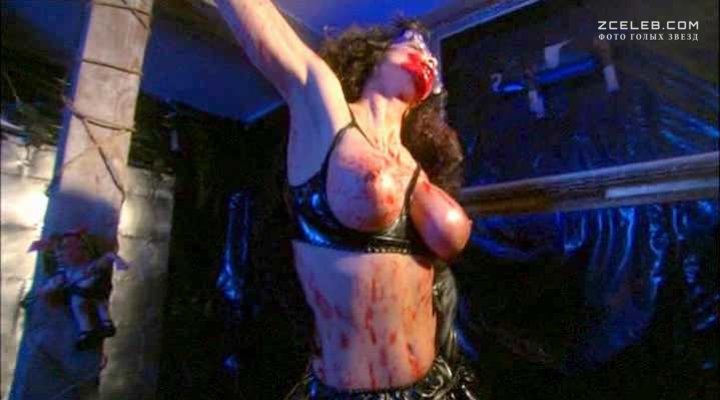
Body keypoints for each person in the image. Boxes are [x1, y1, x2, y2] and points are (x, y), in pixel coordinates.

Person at [217, 1, 477, 398]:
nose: (427, 55)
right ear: (373, 54)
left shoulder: (415, 165)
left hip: (444, 384)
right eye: (412, 42)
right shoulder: (324, 105)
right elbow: (258, 22)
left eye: (431, 54)